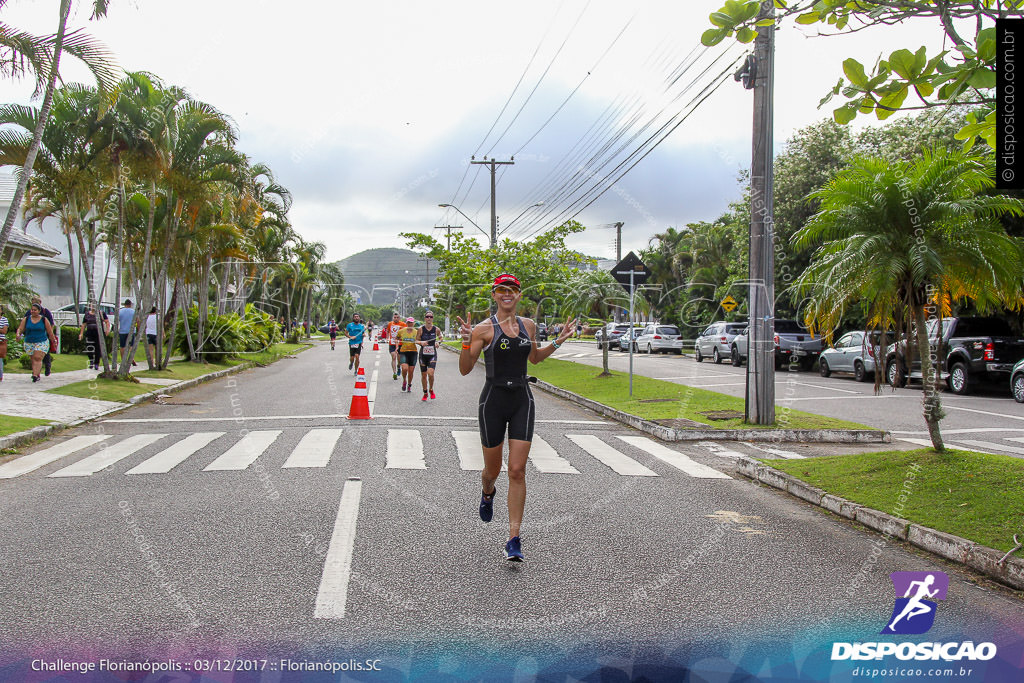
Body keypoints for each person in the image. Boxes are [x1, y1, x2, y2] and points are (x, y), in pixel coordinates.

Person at [457, 273, 576, 562]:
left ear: (519, 295)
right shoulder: (483, 330)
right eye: (501, 290)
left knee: (517, 470)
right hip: (493, 402)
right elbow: (464, 369)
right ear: (495, 295)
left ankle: (513, 539)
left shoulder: (529, 325)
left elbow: (534, 358)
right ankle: (487, 492)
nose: (507, 294)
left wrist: (558, 342)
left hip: (522, 398)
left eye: (512, 290)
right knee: (492, 471)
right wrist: (465, 342)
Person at [17, 302, 58, 383]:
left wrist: (54, 341)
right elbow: (20, 328)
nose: (33, 311)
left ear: (39, 311)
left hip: (41, 341)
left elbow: (50, 332)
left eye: (35, 310)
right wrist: (18, 334)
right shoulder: (26, 319)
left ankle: (35, 375)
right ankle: (37, 374)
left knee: (37, 358)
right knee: (33, 359)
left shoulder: (44, 319)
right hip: (29, 342)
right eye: (31, 310)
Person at [23, 296, 55, 376]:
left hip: (43, 337)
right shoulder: (29, 313)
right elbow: (24, 324)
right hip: (31, 338)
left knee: (43, 354)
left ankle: (47, 367)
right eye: (33, 303)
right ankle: (36, 372)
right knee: (34, 357)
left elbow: (51, 323)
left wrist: (50, 334)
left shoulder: (45, 312)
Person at [416, 310, 440, 401]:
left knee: (430, 373)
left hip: (432, 354)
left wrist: (438, 342)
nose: (429, 318)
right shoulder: (421, 329)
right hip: (423, 355)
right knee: (424, 375)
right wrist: (420, 342)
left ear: (433, 318)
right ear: (425, 318)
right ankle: (425, 392)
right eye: (427, 317)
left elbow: (441, 337)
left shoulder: (436, 329)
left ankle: (431, 389)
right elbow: (416, 340)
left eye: (431, 317)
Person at [78, 302, 111, 370]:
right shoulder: (87, 314)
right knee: (89, 347)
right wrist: (81, 333)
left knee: (98, 349)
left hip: (98, 334)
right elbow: (84, 324)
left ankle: (96, 363)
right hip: (89, 333)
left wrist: (107, 330)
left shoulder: (101, 313)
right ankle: (91, 361)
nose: (93, 306)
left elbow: (107, 321)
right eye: (91, 305)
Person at [396, 316, 419, 392]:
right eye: (408, 322)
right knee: (405, 368)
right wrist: (396, 347)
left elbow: (420, 340)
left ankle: (409, 384)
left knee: (411, 371)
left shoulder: (416, 332)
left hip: (413, 352)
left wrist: (419, 342)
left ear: (413, 323)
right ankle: (404, 380)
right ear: (406, 323)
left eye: (411, 322)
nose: (410, 324)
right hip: (404, 351)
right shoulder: (401, 331)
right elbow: (397, 338)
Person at [382, 311, 403, 380]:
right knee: (393, 357)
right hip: (392, 343)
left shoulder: (403, 324)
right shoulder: (390, 324)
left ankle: (399, 366)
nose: (396, 319)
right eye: (395, 317)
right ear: (393, 318)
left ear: (399, 318)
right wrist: (387, 338)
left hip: (400, 343)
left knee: (399, 359)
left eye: (397, 317)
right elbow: (387, 331)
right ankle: (394, 373)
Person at [117, 299, 138, 367]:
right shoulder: (133, 311)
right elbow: (137, 320)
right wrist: (138, 328)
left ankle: (123, 360)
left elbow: (117, 321)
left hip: (122, 331)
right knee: (131, 346)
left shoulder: (120, 311)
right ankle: (132, 359)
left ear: (124, 304)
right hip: (131, 331)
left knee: (122, 346)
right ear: (130, 304)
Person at [0, 303, 8, 382]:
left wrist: (2, 330)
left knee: (0, 361)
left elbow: (4, 331)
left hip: (1, 342)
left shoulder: (4, 319)